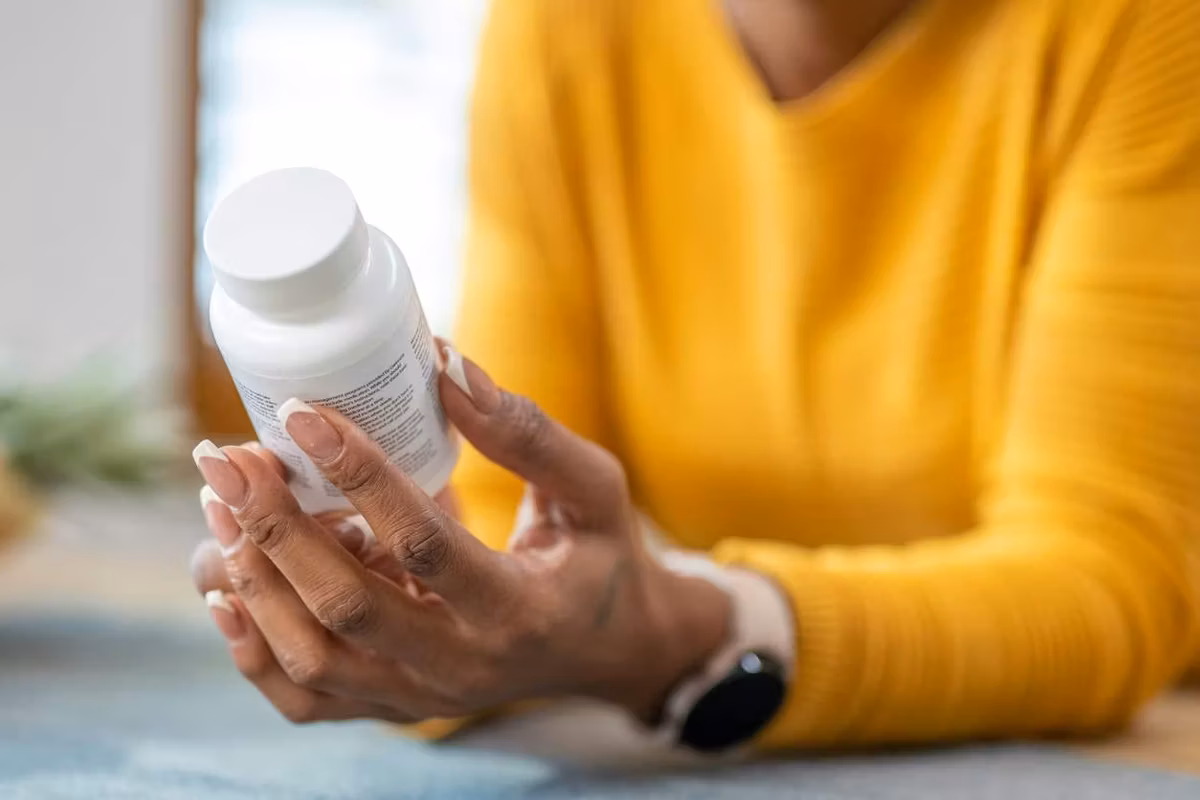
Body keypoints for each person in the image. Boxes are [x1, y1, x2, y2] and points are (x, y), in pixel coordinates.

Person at [191, 0, 1200, 754]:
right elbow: (503, 503)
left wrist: (684, 636)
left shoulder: (1140, 33)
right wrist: (424, 621)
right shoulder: (569, 28)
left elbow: (1108, 585)